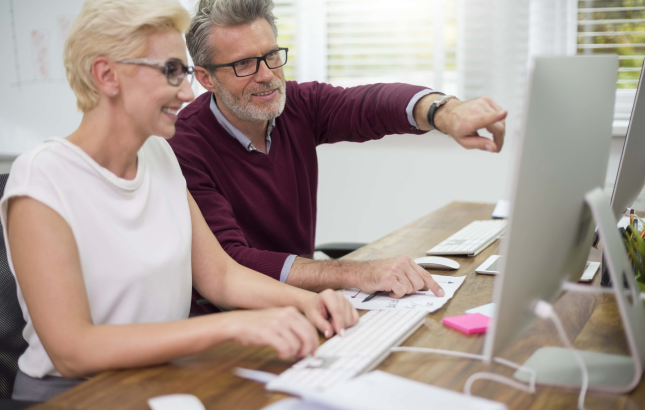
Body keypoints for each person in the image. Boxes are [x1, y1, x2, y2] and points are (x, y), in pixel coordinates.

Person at [0, 0, 357, 402]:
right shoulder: (43, 177)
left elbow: (221, 277)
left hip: (161, 380)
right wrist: (231, 327)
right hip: (78, 395)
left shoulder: (159, 155)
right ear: (107, 75)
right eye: (171, 71)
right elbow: (72, 350)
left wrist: (311, 303)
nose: (188, 93)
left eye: (184, 73)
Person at [169, 0, 507, 314]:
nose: (267, 74)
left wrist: (444, 112)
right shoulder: (184, 145)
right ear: (206, 78)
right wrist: (354, 272)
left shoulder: (297, 105)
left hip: (307, 308)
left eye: (271, 55)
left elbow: (371, 105)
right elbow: (230, 262)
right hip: (232, 322)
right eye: (244, 64)